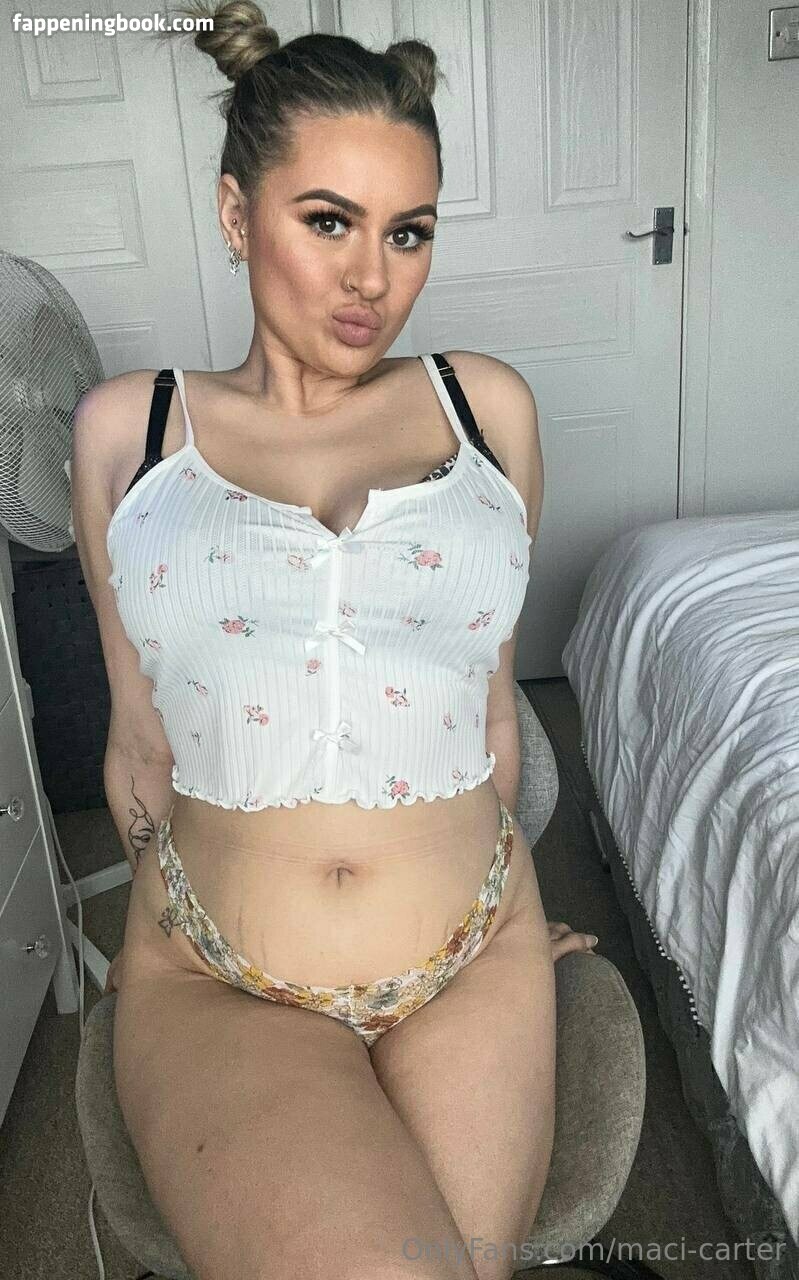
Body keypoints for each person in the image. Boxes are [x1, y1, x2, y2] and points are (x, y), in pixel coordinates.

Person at [73, 6, 598, 1279]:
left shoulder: (485, 409)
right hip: (222, 975)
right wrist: (165, 909)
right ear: (235, 213)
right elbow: (138, 734)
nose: (374, 277)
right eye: (328, 221)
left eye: (407, 232)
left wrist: (498, 891)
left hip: (475, 949)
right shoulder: (131, 434)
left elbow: (486, 699)